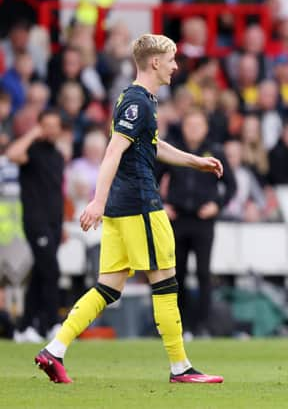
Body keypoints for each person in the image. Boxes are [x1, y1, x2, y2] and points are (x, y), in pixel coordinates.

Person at [34, 34, 225, 384]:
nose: (175, 66)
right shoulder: (137, 102)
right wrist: (96, 200)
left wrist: (194, 161)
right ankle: (181, 367)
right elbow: (112, 152)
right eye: (171, 59)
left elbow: (151, 145)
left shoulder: (133, 98)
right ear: (154, 62)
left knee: (108, 287)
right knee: (166, 281)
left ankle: (54, 350)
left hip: (122, 209)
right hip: (140, 205)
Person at [158, 109, 236, 337]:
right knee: (177, 273)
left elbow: (231, 186)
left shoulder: (215, 150)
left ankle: (203, 325)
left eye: (198, 125)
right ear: (183, 127)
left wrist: (217, 205)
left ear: (205, 127)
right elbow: (153, 178)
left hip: (203, 221)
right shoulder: (174, 150)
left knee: (203, 273)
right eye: (189, 125)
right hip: (177, 219)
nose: (193, 130)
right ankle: (180, 326)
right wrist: (162, 203)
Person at [7, 109, 66, 343]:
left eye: (55, 125)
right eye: (46, 125)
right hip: (35, 221)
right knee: (52, 271)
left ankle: (23, 329)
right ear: (40, 126)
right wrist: (32, 135)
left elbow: (56, 193)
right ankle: (52, 324)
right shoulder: (31, 150)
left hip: (53, 223)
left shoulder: (58, 156)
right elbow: (12, 154)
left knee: (42, 273)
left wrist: (61, 228)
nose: (51, 129)